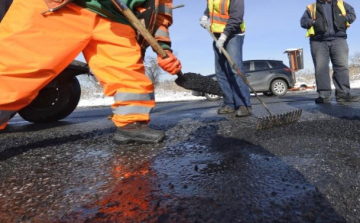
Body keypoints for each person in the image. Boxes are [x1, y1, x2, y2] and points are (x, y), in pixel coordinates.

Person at [0, 0, 182, 144]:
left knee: (129, 76)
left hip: (117, 20)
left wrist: (163, 48)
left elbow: (160, 15)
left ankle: (132, 124)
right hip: (61, 7)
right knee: (18, 66)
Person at [199, 0, 251, 117]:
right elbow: (210, 7)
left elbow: (237, 17)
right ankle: (229, 104)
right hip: (217, 35)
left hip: (233, 34)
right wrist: (205, 15)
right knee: (221, 71)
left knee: (235, 69)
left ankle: (244, 104)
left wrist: (224, 36)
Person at [300, 0, 359, 104]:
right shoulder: (311, 7)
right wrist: (312, 22)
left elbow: (352, 14)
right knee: (321, 68)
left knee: (341, 66)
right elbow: (303, 21)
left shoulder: (341, 4)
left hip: (338, 39)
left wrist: (344, 18)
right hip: (318, 41)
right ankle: (324, 95)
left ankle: (343, 94)